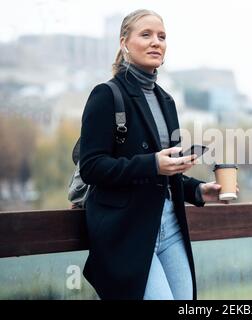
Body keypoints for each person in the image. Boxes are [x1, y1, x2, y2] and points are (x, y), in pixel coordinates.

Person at [79, 9, 233, 300]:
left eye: (162, 37)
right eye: (146, 35)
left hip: (170, 224)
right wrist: (152, 164)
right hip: (128, 229)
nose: (156, 42)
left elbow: (166, 170)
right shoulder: (106, 95)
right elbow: (92, 167)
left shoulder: (166, 100)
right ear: (124, 42)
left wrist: (199, 191)